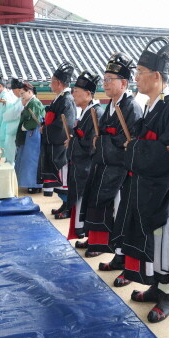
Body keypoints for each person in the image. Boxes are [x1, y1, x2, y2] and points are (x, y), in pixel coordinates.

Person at [111, 37, 169, 323]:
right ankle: (156, 286)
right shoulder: (150, 107)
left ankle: (168, 295)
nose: (136, 78)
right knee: (151, 243)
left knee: (164, 242)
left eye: (140, 73)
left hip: (164, 189)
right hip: (146, 186)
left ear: (157, 77)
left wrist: (135, 149)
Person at [76, 52, 142, 267]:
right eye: (104, 80)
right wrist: (101, 141)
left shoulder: (131, 107)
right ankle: (103, 245)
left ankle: (120, 256)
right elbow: (104, 136)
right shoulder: (111, 105)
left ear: (123, 83)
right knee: (100, 206)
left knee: (118, 213)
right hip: (104, 167)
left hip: (119, 172)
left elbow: (126, 142)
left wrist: (102, 142)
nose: (105, 83)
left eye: (109, 80)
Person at [65, 70, 104, 238]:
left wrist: (73, 141)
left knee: (85, 201)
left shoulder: (96, 113)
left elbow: (91, 144)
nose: (73, 95)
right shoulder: (87, 112)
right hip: (80, 167)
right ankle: (81, 230)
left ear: (88, 94)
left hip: (87, 167)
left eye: (77, 92)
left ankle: (84, 231)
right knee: (79, 200)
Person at [38, 61, 76, 218]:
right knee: (59, 180)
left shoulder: (66, 100)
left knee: (64, 179)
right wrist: (43, 125)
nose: (50, 84)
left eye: (52, 81)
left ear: (59, 83)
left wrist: (45, 130)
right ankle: (64, 204)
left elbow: (63, 126)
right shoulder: (59, 99)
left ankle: (69, 207)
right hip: (53, 146)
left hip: (61, 148)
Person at [14, 81, 45, 194]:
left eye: (23, 93)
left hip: (33, 134)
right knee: (28, 159)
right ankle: (32, 184)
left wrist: (24, 126)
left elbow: (35, 120)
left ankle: (34, 184)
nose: (21, 95)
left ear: (30, 92)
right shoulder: (30, 103)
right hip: (30, 134)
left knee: (32, 160)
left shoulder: (34, 103)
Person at [0, 73, 17, 154]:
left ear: (0, 86)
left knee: (4, 153)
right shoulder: (2, 96)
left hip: (3, 128)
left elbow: (11, 109)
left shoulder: (6, 96)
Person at [2, 77, 25, 164]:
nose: (13, 92)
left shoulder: (21, 101)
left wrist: (5, 115)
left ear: (19, 90)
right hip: (12, 130)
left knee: (12, 153)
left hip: (15, 130)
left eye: (14, 90)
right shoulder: (18, 100)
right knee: (10, 151)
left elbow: (13, 113)